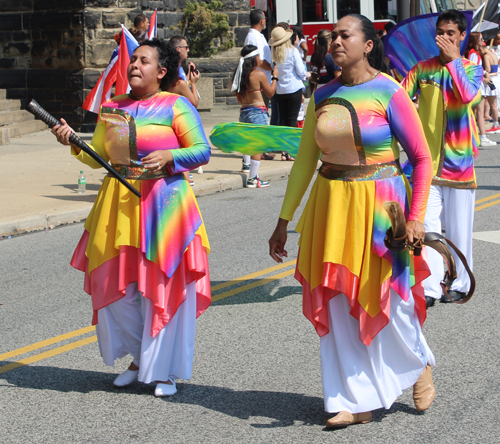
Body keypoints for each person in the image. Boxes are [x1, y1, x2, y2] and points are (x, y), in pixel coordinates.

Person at [269, 14, 435, 428]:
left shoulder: (389, 92)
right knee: (340, 301)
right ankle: (353, 398)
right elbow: (305, 162)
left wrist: (415, 218)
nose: (336, 42)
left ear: (367, 44)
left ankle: (418, 364)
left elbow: (421, 158)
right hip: (332, 207)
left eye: (346, 35)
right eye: (333, 36)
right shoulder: (321, 93)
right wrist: (283, 221)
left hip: (382, 209)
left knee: (390, 299)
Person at [51, 39, 211, 397]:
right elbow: (99, 156)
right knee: (118, 288)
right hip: (118, 203)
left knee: (161, 287)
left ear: (162, 71)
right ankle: (141, 359)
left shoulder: (176, 105)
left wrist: (171, 156)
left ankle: (165, 370)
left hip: (165, 205)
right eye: (133, 60)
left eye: (144, 61)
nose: (135, 65)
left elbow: (201, 151)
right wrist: (74, 143)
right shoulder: (113, 107)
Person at [402, 9, 483, 306]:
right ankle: (433, 285)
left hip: (460, 165)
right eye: (442, 32)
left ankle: (461, 280)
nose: (445, 38)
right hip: (426, 165)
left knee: (460, 229)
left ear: (462, 36)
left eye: (452, 33)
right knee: (428, 227)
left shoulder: (472, 69)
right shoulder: (421, 69)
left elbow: (466, 96)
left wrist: (452, 63)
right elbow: (398, 99)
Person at [230, 45, 278, 187]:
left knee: (247, 142)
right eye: (258, 57)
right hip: (257, 112)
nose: (260, 59)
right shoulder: (258, 75)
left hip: (244, 111)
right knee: (257, 145)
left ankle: (246, 165)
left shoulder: (240, 75)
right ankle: (253, 178)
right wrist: (275, 77)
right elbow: (270, 93)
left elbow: (237, 94)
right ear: (253, 59)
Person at [269, 26, 309, 160]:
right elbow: (301, 72)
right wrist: (307, 74)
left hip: (280, 90)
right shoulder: (292, 51)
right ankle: (290, 152)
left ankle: (284, 151)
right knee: (292, 120)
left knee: (283, 120)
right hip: (293, 89)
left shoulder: (273, 53)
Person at [465, 32, 495, 147]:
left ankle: (472, 137)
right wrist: (483, 74)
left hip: (475, 85)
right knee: (479, 113)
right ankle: (482, 137)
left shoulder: (474, 53)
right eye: (481, 38)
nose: (483, 41)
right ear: (475, 39)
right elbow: (472, 69)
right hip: (476, 86)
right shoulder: (474, 53)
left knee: (473, 113)